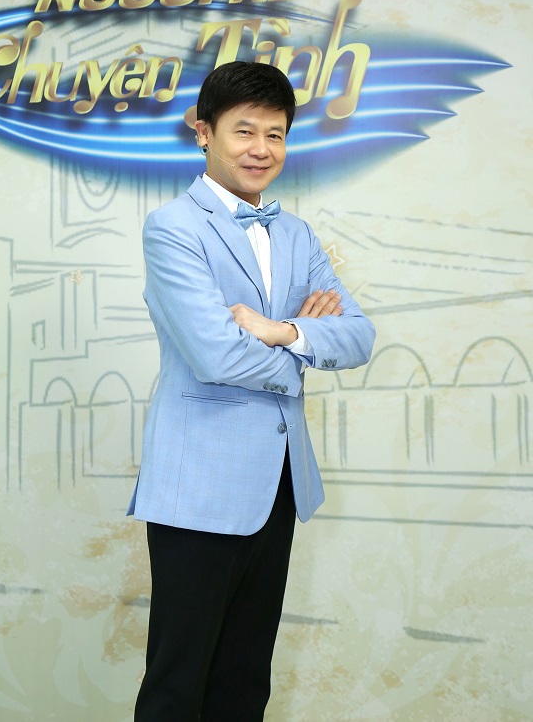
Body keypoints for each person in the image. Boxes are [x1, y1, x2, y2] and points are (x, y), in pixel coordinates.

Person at [128, 61, 375, 721]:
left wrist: (276, 330)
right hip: (198, 485)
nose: (261, 148)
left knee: (244, 682)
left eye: (275, 133)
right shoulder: (173, 227)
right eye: (244, 131)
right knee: (177, 684)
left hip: (279, 482)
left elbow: (359, 337)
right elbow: (212, 355)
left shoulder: (296, 234)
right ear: (204, 133)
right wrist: (306, 346)